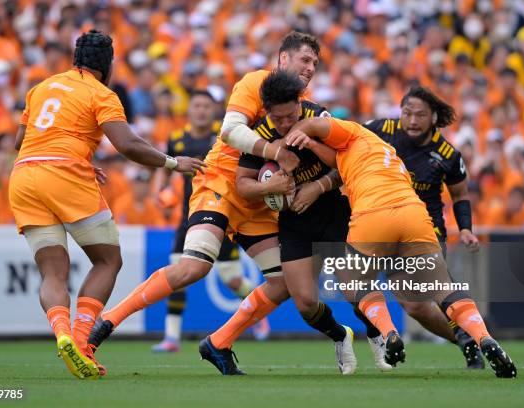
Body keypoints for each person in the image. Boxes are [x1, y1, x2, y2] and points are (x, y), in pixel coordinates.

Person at [87, 31, 358, 376]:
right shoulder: (256, 82)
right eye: (305, 60)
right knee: (194, 266)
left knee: (283, 283)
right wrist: (276, 152)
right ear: (283, 58)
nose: (310, 68)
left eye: (316, 64)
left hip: (259, 199)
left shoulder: (304, 104)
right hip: (220, 183)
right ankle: (107, 323)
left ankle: (219, 343)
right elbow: (230, 130)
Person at [8, 30, 203, 380]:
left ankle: (62, 334)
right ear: (108, 65)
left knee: (53, 273)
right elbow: (127, 145)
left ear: (75, 59)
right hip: (64, 176)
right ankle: (82, 342)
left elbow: (21, 140)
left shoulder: (42, 87)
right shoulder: (102, 94)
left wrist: (74, 151)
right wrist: (174, 163)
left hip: (23, 177)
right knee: (107, 259)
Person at [284, 115, 517, 378]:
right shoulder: (385, 152)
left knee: (357, 285)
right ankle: (483, 337)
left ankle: (389, 332)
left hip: (373, 215)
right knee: (443, 286)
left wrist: (301, 139)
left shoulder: (353, 133)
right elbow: (336, 159)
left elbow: (322, 131)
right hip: (413, 213)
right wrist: (314, 146)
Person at [201, 70, 394, 376]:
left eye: (291, 116)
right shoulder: (260, 134)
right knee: (305, 302)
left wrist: (317, 185)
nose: (285, 124)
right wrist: (269, 187)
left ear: (299, 104)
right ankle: (340, 335)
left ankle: (376, 334)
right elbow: (243, 184)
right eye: (278, 119)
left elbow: (347, 165)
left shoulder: (319, 117)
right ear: (266, 112)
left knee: (354, 288)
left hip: (334, 212)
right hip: (293, 222)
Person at [362, 86, 484, 369]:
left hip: (426, 231)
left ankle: (481, 336)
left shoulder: (447, 154)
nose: (412, 120)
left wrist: (465, 228)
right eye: (407, 113)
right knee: (415, 306)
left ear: (433, 118)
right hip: (387, 230)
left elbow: (460, 194)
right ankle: (465, 339)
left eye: (420, 115)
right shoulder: (381, 129)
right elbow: (348, 141)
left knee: (440, 291)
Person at [152, 90, 269, 353]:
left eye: (206, 106)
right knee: (176, 275)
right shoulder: (177, 140)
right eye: (197, 105)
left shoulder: (224, 135)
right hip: (187, 218)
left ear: (214, 110)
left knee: (232, 281)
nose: (201, 110)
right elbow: (165, 168)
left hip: (221, 217)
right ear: (189, 109)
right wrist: (159, 191)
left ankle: (260, 316)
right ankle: (171, 338)